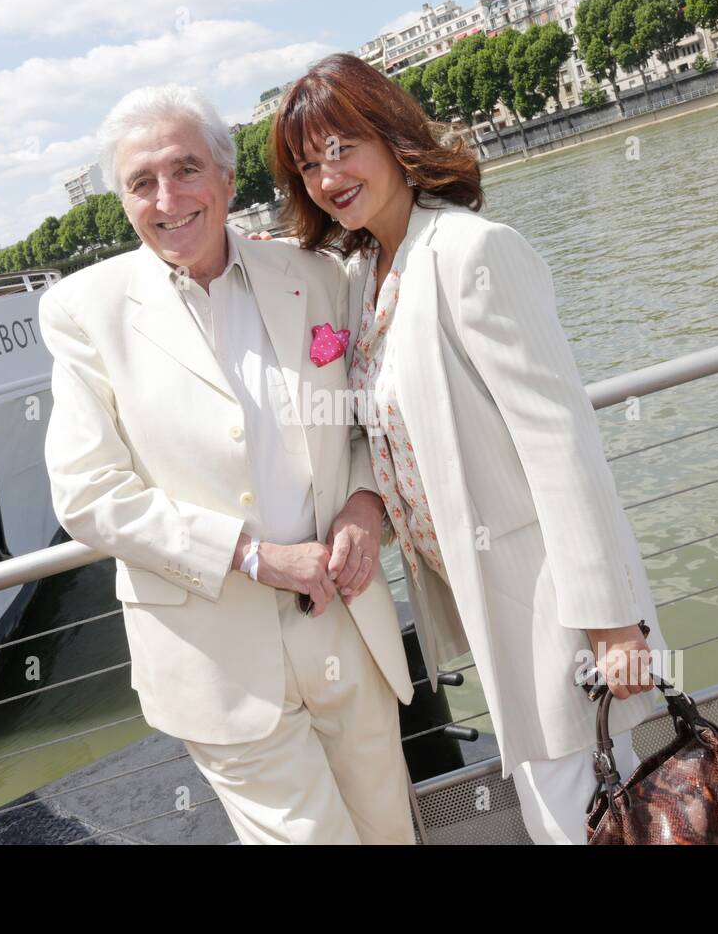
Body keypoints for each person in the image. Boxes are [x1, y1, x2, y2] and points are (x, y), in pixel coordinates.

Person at [269, 53, 669, 844]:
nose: (328, 177)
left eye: (343, 147)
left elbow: (562, 442)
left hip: (550, 597)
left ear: (390, 134)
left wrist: (612, 623)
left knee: (579, 812)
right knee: (580, 809)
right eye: (309, 165)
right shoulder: (365, 276)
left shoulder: (471, 252)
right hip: (487, 598)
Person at [38, 83, 416, 844]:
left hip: (345, 620)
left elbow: (365, 425)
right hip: (214, 659)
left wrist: (367, 507)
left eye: (185, 170)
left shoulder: (316, 275)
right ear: (123, 201)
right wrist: (251, 556)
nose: (167, 197)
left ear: (226, 177)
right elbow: (87, 493)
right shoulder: (83, 311)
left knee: (389, 829)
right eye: (142, 183)